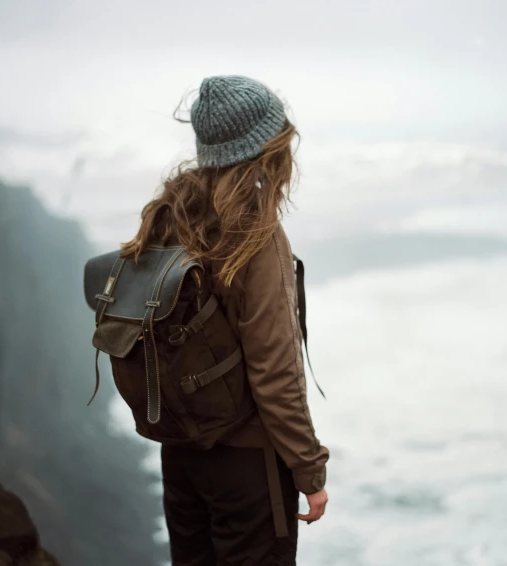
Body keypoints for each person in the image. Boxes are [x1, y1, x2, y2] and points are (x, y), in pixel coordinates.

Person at [120, 75, 329, 565]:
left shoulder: (167, 217)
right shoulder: (256, 236)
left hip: (182, 450)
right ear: (263, 151)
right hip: (247, 463)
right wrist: (309, 471)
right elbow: (275, 373)